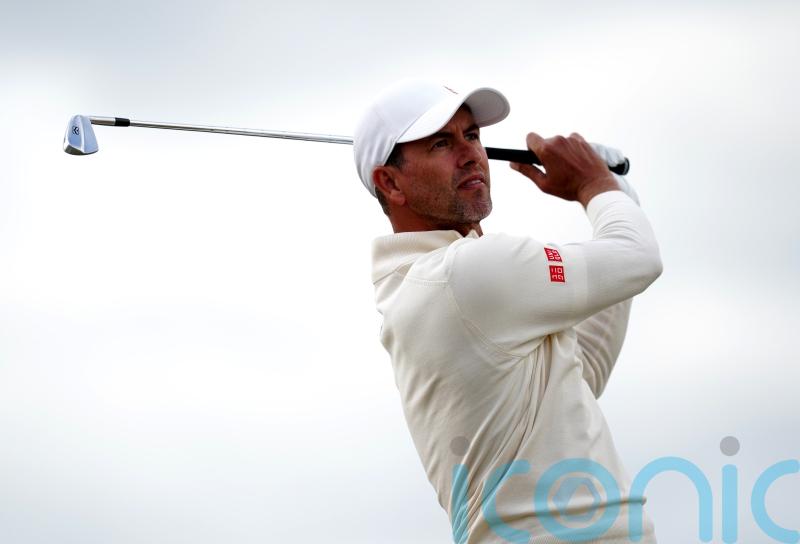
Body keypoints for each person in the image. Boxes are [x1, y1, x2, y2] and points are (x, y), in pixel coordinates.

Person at [353, 79, 662, 543]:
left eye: (472, 135)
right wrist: (595, 185)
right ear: (390, 182)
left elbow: (579, 377)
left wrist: (616, 193)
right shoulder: (466, 272)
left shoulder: (435, 283)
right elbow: (636, 258)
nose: (470, 154)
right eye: (441, 143)